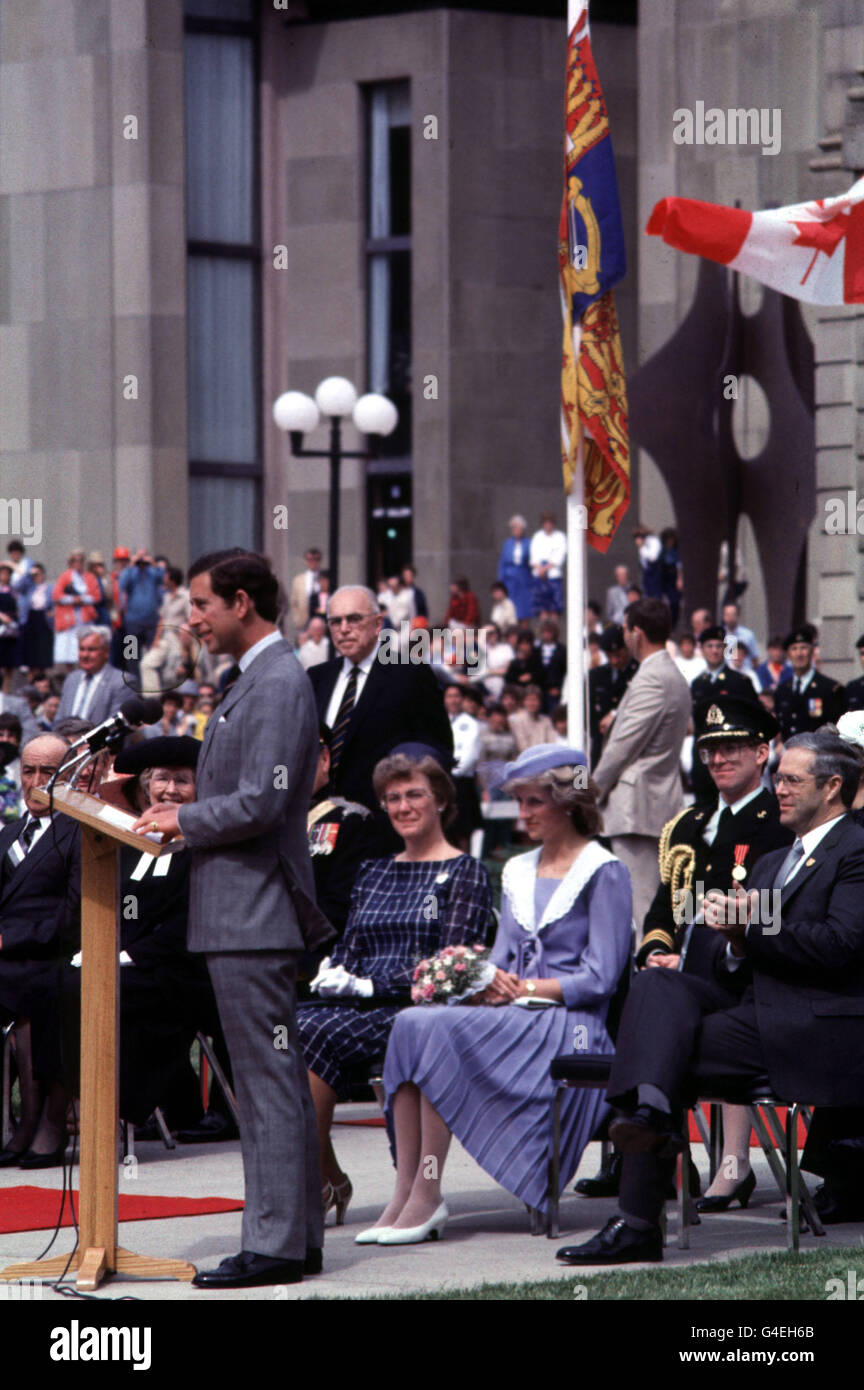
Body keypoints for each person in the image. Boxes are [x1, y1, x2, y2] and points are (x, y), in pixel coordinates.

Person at [557, 726, 864, 1265]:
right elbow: (734, 973)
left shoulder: (857, 851)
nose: (779, 791)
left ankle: (637, 1209)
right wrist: (734, 945)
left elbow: (843, 946)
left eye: (791, 780)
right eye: (778, 779)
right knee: (656, 984)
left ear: (833, 786)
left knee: (659, 1052)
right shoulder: (772, 863)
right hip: (757, 1013)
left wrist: (753, 928)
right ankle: (650, 1121)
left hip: (815, 1026)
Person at [132, 548, 332, 1290]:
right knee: (267, 1081)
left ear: (242, 603)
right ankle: (294, 1236)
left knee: (266, 1083)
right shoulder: (257, 678)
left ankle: (277, 1245)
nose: (195, 619)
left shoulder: (277, 681)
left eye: (203, 605)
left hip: (255, 916)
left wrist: (181, 816)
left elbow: (263, 802)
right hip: (240, 914)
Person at [357, 745, 632, 1243]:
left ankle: (426, 1195)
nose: (522, 814)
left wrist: (522, 987)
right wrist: (479, 980)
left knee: (431, 1028)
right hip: (514, 1016)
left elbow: (601, 978)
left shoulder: (603, 869)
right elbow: (501, 957)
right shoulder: (518, 869)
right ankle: (407, 1192)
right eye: (520, 802)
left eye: (532, 803)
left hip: (571, 1025)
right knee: (413, 1020)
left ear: (566, 802)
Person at [296, 747, 493, 1226]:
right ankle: (319, 1176)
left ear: (441, 800)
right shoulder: (375, 869)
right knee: (284, 1027)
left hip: (416, 1012)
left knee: (308, 1033)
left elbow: (452, 965)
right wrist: (335, 972)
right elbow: (352, 943)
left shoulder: (464, 871)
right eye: (392, 798)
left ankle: (318, 1184)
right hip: (356, 1005)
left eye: (414, 795)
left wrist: (370, 986)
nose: (403, 807)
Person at [307, 585, 453, 850]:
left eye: (354, 619)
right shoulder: (316, 678)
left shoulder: (410, 675)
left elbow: (438, 750)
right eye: (335, 621)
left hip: (384, 831)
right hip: (321, 832)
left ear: (377, 624)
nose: (344, 628)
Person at [0, 734, 80, 1168]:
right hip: (6, 953)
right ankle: (12, 1122)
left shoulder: (81, 834)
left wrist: (10, 939)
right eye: (28, 771)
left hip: (51, 952)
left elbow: (75, 915)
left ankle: (42, 1119)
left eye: (47, 772)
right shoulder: (8, 834)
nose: (36, 782)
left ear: (68, 775)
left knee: (35, 987)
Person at [592, 599, 691, 929]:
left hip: (638, 806)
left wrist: (588, 791)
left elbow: (622, 748)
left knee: (643, 909)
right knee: (648, 907)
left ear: (636, 632)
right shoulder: (667, 673)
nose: (622, 636)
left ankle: (650, 976)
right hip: (654, 801)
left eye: (623, 629)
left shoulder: (653, 677)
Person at [306, 723, 377, 948]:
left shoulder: (348, 819)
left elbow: (341, 908)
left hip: (317, 956)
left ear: (324, 760)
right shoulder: (263, 820)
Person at [689, 625, 756, 804]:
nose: (714, 651)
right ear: (702, 650)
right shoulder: (697, 684)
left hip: (731, 758)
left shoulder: (739, 682)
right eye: (709, 646)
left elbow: (753, 719)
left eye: (719, 646)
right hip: (703, 758)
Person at [773, 624, 846, 745]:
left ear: (811, 652)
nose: (799, 654)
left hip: (820, 755)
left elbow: (837, 730)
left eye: (803, 648)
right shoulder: (782, 691)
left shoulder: (829, 688)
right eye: (794, 649)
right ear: (788, 655)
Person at [55, 625, 128, 724]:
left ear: (106, 652)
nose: (85, 655)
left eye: (91, 650)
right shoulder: (72, 679)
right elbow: (58, 721)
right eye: (81, 649)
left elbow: (115, 728)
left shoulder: (121, 683)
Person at [587, 623, 638, 767]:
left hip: (628, 747)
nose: (614, 660)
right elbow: (589, 712)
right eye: (609, 656)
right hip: (601, 744)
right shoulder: (596, 676)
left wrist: (616, 715)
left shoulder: (639, 672)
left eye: (618, 655)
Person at [443, 685, 481, 851]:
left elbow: (471, 754)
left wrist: (453, 774)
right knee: (445, 829)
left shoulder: (471, 723)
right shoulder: (438, 720)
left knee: (463, 832)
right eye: (449, 696)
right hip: (441, 781)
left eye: (457, 696)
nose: (453, 700)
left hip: (461, 782)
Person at [530, 513, 567, 617]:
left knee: (554, 608)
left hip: (554, 576)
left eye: (550, 522)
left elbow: (560, 556)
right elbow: (533, 556)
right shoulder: (537, 536)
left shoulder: (560, 536)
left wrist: (546, 568)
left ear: (553, 524)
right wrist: (540, 569)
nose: (548, 525)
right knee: (541, 608)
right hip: (539, 576)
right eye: (546, 522)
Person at [497, 516, 533, 622]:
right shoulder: (507, 544)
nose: (516, 531)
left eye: (518, 528)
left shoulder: (528, 543)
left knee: (523, 609)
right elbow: (503, 563)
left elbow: (531, 561)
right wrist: (501, 583)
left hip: (524, 580)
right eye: (514, 528)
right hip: (509, 581)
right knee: (510, 608)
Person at [21, 563, 54, 671]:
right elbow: (17, 585)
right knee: (31, 651)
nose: (36, 577)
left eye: (38, 574)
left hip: (44, 619)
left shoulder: (49, 587)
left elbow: (53, 603)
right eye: (34, 575)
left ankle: (42, 674)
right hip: (31, 618)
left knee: (43, 650)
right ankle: (31, 676)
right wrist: (28, 574)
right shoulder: (29, 588)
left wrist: (52, 614)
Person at [509, 685, 555, 753]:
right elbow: (522, 747)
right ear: (523, 701)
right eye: (528, 700)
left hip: (545, 757)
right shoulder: (517, 720)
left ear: (540, 702)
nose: (532, 703)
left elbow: (552, 743)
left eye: (535, 700)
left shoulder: (546, 721)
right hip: (525, 759)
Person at [290, 548, 323, 634]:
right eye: (310, 560)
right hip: (303, 622)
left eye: (316, 559)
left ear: (320, 561)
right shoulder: (298, 580)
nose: (313, 562)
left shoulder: (325, 578)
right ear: (306, 561)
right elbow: (294, 602)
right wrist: (297, 619)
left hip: (321, 620)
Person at [721, 601, 759, 667]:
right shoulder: (719, 635)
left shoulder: (748, 635)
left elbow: (755, 659)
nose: (730, 618)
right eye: (728, 615)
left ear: (738, 616)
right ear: (723, 617)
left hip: (744, 673)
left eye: (733, 615)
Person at [632, 524, 663, 599]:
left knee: (655, 596)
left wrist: (642, 547)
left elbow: (653, 558)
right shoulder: (642, 546)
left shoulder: (653, 541)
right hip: (647, 573)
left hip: (655, 572)